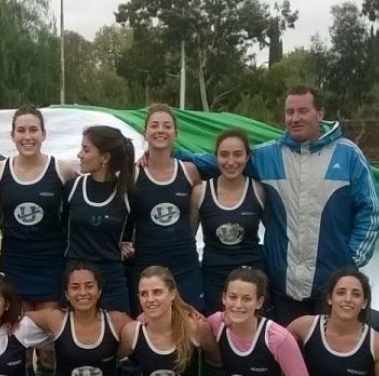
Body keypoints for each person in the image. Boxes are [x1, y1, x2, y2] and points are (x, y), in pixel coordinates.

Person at [179, 87, 379, 324]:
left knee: (326, 354)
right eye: (290, 112)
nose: (295, 118)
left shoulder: (348, 155)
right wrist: (166, 154)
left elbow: (372, 212)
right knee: (285, 352)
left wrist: (350, 260)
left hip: (331, 284)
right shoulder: (268, 155)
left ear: (320, 113)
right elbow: (221, 161)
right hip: (281, 285)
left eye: (303, 111)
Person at [0, 106, 77, 309]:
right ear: (12, 135)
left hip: (52, 263)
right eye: (21, 130)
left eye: (33, 130)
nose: (27, 136)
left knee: (48, 330)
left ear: (44, 134)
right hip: (15, 261)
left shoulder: (62, 170)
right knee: (19, 330)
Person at [130, 104, 203, 310]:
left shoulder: (190, 172)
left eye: (167, 126)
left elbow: (194, 219)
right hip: (147, 265)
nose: (160, 130)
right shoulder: (134, 174)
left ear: (175, 133)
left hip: (184, 264)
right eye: (154, 125)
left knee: (191, 326)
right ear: (145, 133)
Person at [192, 130, 266, 315]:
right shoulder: (200, 192)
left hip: (251, 278)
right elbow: (187, 239)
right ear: (215, 157)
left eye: (238, 154)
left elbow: (276, 232)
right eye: (224, 155)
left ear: (248, 157)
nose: (231, 162)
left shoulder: (259, 190)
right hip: (214, 278)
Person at [66, 126, 134, 313]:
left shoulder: (128, 193)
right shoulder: (72, 187)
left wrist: (127, 243)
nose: (80, 155)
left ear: (104, 157)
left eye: (86, 150)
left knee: (121, 337)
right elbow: (60, 229)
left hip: (111, 280)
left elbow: (134, 232)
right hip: (76, 279)